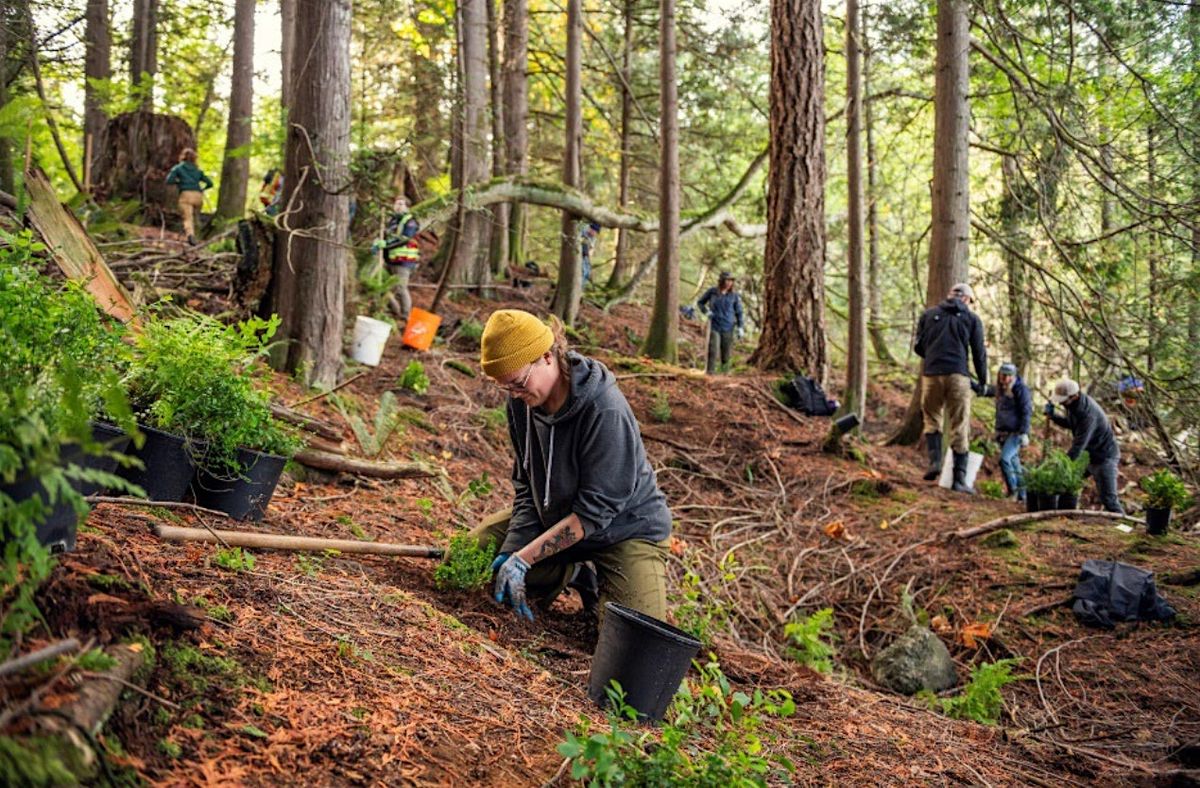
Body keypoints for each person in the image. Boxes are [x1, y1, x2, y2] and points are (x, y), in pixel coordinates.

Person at [467, 309, 673, 623]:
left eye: (519, 383)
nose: (515, 395)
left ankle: (597, 580)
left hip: (625, 530)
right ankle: (569, 571)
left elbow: (596, 512)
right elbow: (526, 486)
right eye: (506, 388)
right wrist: (512, 549)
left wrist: (525, 559)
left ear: (547, 356)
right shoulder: (523, 401)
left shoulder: (604, 410)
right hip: (555, 520)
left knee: (633, 636)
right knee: (469, 559)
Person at [914, 282, 988, 493]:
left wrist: (934, 359)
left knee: (932, 418)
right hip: (958, 375)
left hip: (931, 374)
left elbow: (918, 346)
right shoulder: (972, 319)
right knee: (959, 424)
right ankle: (959, 480)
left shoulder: (928, 315)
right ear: (966, 299)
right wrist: (982, 381)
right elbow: (978, 352)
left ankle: (935, 463)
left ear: (950, 295)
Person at [1045, 379, 1124, 514]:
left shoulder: (1088, 414)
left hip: (1104, 457)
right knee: (1068, 482)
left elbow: (1078, 445)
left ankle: (1126, 528)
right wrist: (1053, 417)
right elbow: (1072, 424)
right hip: (1088, 455)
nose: (1060, 403)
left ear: (1075, 396)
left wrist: (1063, 464)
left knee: (1109, 499)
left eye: (1063, 400)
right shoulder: (1072, 406)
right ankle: (1064, 516)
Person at [372, 196, 421, 319]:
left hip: (404, 261)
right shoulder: (392, 221)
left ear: (407, 207)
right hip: (390, 259)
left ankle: (405, 315)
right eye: (396, 204)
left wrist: (386, 244)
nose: (398, 206)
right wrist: (378, 242)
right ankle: (394, 310)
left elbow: (404, 240)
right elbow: (386, 236)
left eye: (401, 204)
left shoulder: (410, 222)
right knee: (386, 286)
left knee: (400, 288)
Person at [993, 362, 1032, 501]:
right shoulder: (1001, 389)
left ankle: (1013, 491)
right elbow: (989, 391)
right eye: (1003, 375)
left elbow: (1026, 411)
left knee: (1005, 459)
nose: (1006, 378)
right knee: (1015, 463)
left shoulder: (1020, 389)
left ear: (1014, 376)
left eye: (1009, 375)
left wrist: (1024, 432)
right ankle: (1023, 495)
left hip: (1016, 432)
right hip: (1003, 432)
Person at [697, 271, 745, 375]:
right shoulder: (712, 292)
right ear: (722, 281)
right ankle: (710, 373)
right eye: (727, 280)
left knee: (726, 352)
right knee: (713, 349)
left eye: (731, 281)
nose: (729, 283)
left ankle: (725, 373)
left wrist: (740, 327)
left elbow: (739, 312)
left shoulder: (734, 296)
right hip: (714, 325)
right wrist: (706, 311)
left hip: (728, 326)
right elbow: (700, 303)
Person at [165, 148, 213, 245]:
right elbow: (210, 183)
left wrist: (179, 182)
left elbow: (169, 180)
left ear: (183, 157)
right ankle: (198, 236)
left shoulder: (178, 168)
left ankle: (190, 236)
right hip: (198, 196)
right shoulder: (198, 171)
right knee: (195, 217)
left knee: (188, 218)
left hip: (186, 195)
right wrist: (203, 189)